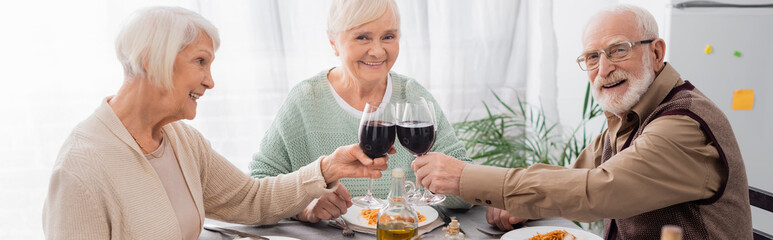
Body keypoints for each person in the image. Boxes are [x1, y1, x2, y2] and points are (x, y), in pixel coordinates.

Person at [42, 6, 387, 239]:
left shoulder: (181, 141)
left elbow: (251, 200)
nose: (210, 81)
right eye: (200, 62)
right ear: (151, 61)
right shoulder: (82, 168)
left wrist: (326, 169)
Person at [411, 4, 752, 239]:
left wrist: (467, 177)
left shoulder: (682, 126)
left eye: (618, 50)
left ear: (657, 52)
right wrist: (521, 202)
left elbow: (598, 190)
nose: (603, 69)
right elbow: (575, 179)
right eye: (592, 57)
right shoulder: (633, 114)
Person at [249, 0, 472, 223]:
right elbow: (257, 188)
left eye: (388, 37)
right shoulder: (306, 99)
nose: (377, 51)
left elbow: (466, 192)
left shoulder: (413, 96)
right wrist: (303, 206)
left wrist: (452, 183)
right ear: (333, 42)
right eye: (362, 37)